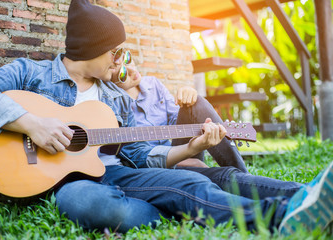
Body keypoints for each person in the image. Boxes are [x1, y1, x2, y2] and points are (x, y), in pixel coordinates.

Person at [0, 0, 332, 236]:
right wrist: (32, 123)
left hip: (116, 172)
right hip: (61, 183)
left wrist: (189, 147)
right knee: (91, 204)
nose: (122, 60)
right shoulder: (31, 73)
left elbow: (140, 153)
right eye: (116, 51)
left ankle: (285, 215)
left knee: (190, 185)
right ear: (91, 49)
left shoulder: (115, 98)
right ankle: (180, 209)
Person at [111, 57, 302, 199]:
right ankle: (257, 187)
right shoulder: (112, 104)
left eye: (127, 58)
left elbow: (176, 121)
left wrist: (188, 95)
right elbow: (134, 158)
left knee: (196, 102)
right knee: (220, 178)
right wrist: (181, 158)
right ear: (108, 81)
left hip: (182, 148)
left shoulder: (153, 84)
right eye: (121, 73)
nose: (130, 69)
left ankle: (244, 175)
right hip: (159, 169)